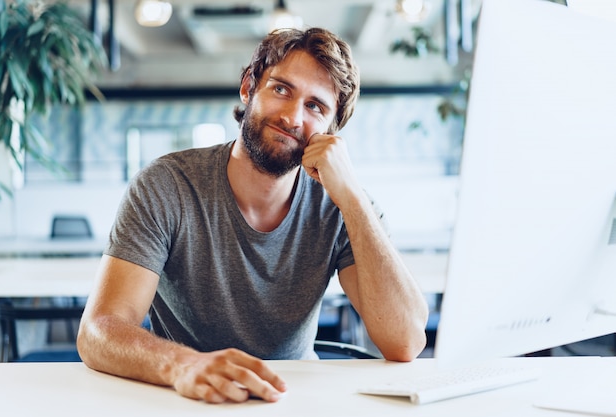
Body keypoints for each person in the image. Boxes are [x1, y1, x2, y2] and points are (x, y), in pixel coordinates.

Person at [77, 27, 429, 404]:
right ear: (248, 88)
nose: (293, 117)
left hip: (293, 400)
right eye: (281, 89)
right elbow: (99, 329)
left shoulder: (342, 205)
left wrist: (353, 199)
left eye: (316, 106)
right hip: (185, 397)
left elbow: (405, 341)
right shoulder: (167, 185)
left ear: (331, 131)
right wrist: (183, 365)